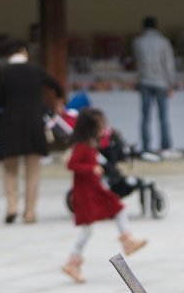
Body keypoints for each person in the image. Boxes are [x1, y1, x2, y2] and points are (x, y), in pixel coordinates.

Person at [61, 108, 147, 283]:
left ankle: (125, 240)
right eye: (100, 126)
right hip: (86, 193)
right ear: (90, 128)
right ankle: (73, 262)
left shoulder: (90, 145)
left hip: (94, 190)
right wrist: (90, 168)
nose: (103, 130)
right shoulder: (83, 146)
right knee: (90, 227)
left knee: (116, 209)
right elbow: (71, 164)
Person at [0, 38, 64, 224]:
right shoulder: (36, 70)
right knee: (33, 171)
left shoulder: (4, 72)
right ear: (24, 51)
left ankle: (12, 206)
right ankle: (30, 213)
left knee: (10, 169)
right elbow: (56, 85)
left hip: (10, 124)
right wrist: (58, 101)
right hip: (34, 124)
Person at [133, 16, 181, 160]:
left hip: (145, 81)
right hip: (161, 82)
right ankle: (165, 146)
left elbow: (138, 64)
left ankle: (146, 147)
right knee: (163, 116)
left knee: (145, 117)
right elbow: (168, 64)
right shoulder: (164, 42)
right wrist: (171, 83)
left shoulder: (138, 42)